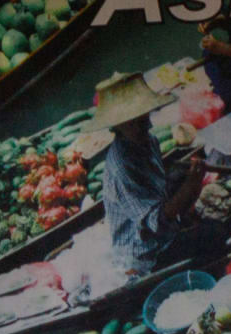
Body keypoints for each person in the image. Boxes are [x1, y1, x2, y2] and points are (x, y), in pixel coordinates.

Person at [76, 70, 202, 272]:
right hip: (146, 252)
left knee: (179, 179)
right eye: (136, 122)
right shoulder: (122, 168)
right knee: (214, 234)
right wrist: (191, 186)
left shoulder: (149, 140)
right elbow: (158, 222)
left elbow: (160, 185)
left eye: (145, 117)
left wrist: (188, 188)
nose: (147, 124)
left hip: (161, 227)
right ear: (118, 126)